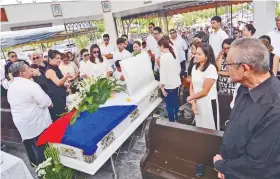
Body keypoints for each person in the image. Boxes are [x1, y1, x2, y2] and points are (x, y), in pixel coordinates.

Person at [213, 38, 280, 179]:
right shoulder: (244, 88)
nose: (226, 68)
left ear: (244, 68)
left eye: (229, 64)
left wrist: (222, 165)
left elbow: (257, 164)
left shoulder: (275, 107)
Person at [7, 62, 53, 166]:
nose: (30, 70)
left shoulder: (12, 86)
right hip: (36, 122)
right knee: (42, 147)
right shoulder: (29, 84)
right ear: (22, 72)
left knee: (31, 146)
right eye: (28, 69)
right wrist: (50, 103)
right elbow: (44, 101)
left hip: (22, 123)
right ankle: (46, 169)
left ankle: (36, 165)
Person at [187, 43, 219, 130]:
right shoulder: (194, 67)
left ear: (207, 56)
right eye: (196, 53)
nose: (196, 56)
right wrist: (193, 103)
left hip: (208, 103)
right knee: (200, 127)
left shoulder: (211, 68)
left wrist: (190, 98)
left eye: (199, 54)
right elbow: (192, 87)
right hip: (197, 101)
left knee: (211, 129)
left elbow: (205, 92)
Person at [158, 38, 181, 122]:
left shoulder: (164, 57)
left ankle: (171, 121)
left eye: (159, 46)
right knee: (175, 103)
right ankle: (177, 118)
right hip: (175, 83)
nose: (158, 48)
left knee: (169, 105)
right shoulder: (173, 53)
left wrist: (162, 87)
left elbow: (163, 73)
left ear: (162, 46)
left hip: (169, 85)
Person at [45, 50, 70, 121]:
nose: (59, 60)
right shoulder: (50, 70)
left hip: (62, 96)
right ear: (50, 59)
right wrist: (66, 77)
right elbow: (58, 83)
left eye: (60, 58)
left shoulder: (56, 67)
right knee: (61, 118)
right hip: (56, 99)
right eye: (57, 58)